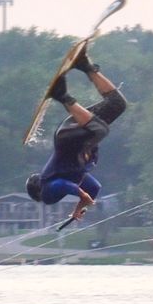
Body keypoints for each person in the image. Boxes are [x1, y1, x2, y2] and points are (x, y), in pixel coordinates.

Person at [24, 47, 127, 223]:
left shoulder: (47, 193)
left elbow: (62, 185)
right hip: (82, 128)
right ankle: (85, 65)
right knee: (117, 105)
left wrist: (82, 195)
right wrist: (80, 208)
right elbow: (94, 187)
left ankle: (61, 95)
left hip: (68, 135)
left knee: (100, 130)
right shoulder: (77, 174)